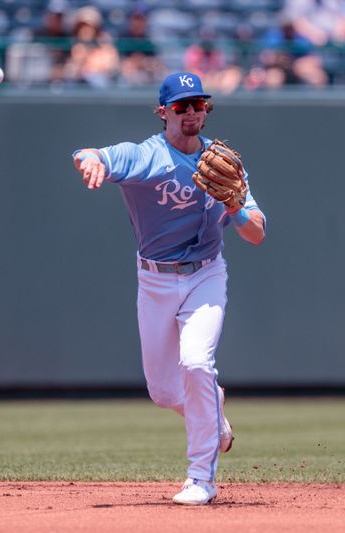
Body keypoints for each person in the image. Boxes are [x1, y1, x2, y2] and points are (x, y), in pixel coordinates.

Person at [71, 72, 266, 505]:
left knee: (196, 362)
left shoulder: (225, 164)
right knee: (162, 391)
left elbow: (256, 233)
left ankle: (201, 478)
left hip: (206, 275)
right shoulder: (147, 157)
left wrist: (235, 204)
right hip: (155, 279)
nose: (192, 112)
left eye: (199, 104)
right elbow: (94, 153)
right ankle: (212, 412)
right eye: (181, 106)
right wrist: (91, 160)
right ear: (163, 112)